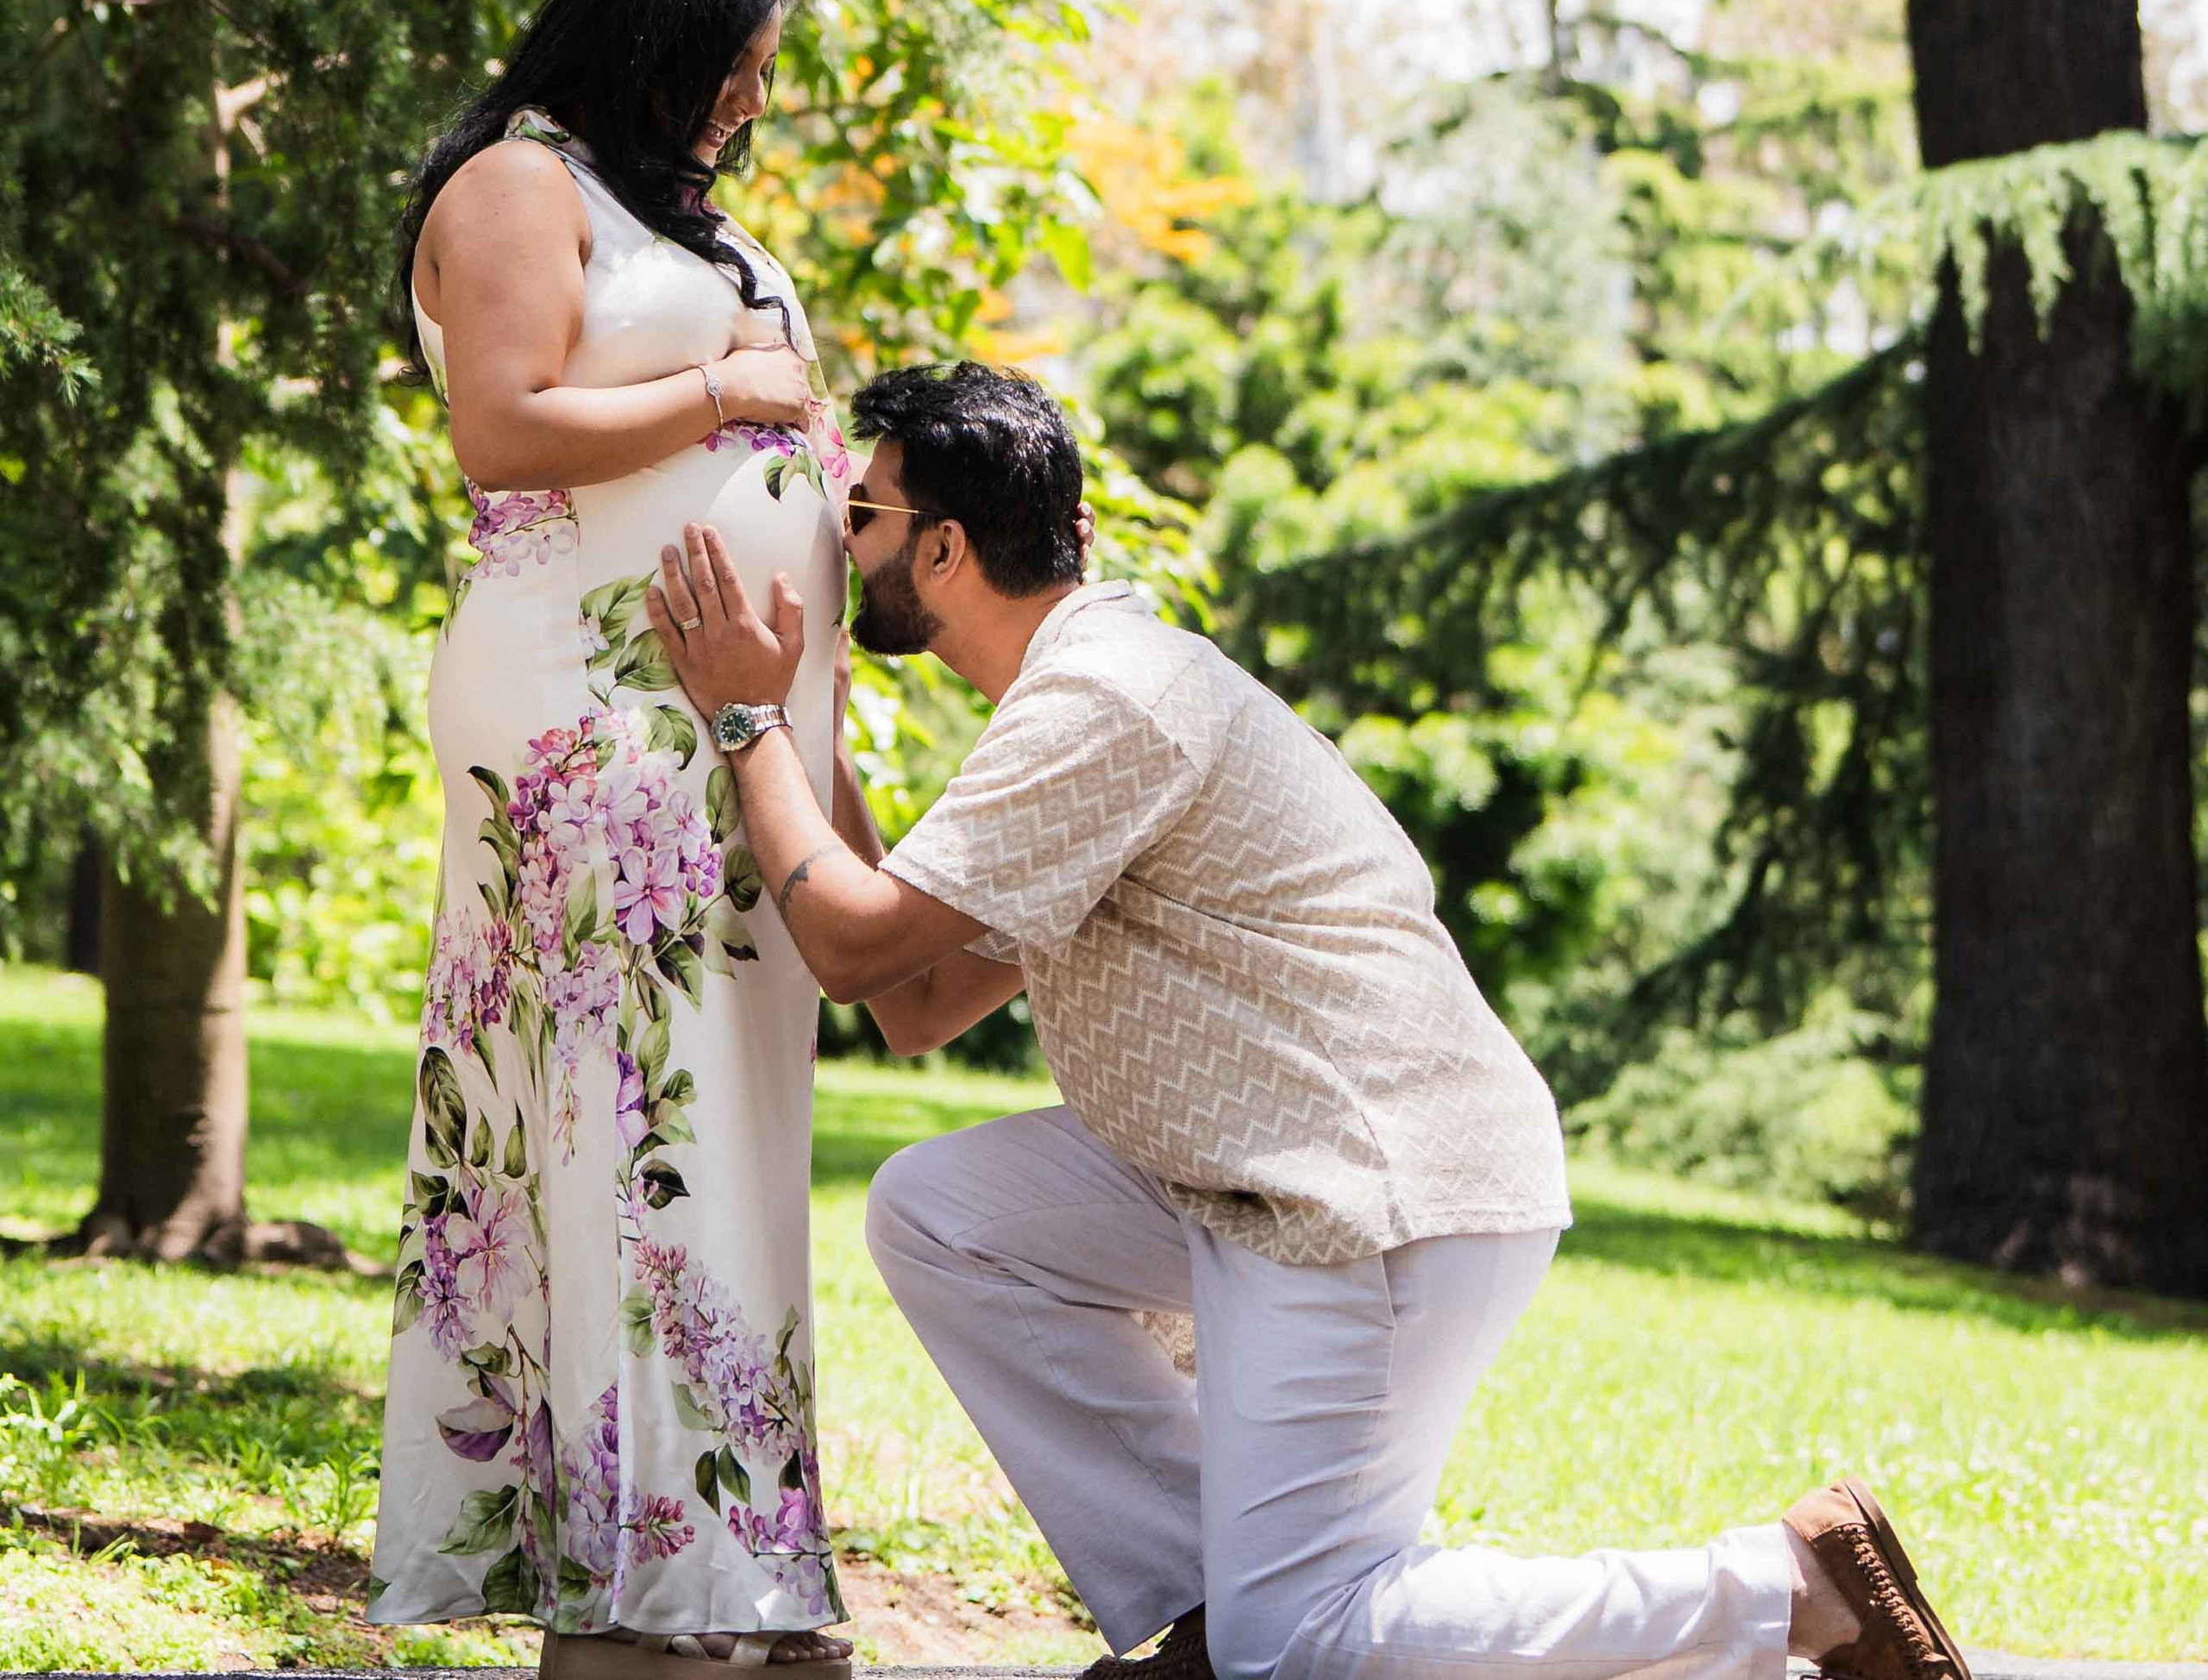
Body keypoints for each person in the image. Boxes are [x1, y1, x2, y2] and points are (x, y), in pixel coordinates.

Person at [644, 361, 1974, 1680]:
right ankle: (1215, 1607)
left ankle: (1790, 1587)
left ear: (940, 550)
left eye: (861, 511)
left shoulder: (1104, 700)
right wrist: (804, 719)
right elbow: (917, 999)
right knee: (945, 1214)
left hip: (1371, 1196)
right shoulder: (1077, 696)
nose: (835, 533)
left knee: (1312, 1649)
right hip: (1253, 1170)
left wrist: (748, 718)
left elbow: (851, 940)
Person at [367, 0, 862, 1677]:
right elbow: (500, 429)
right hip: (587, 717)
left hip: (735, 730)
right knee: (626, 1124)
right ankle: (640, 1575)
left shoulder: (691, 225)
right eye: (733, 66)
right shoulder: (519, 189)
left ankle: (734, 1547)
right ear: (651, 42)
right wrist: (729, 383)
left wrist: (827, 754)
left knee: (728, 1131)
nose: (750, 100)